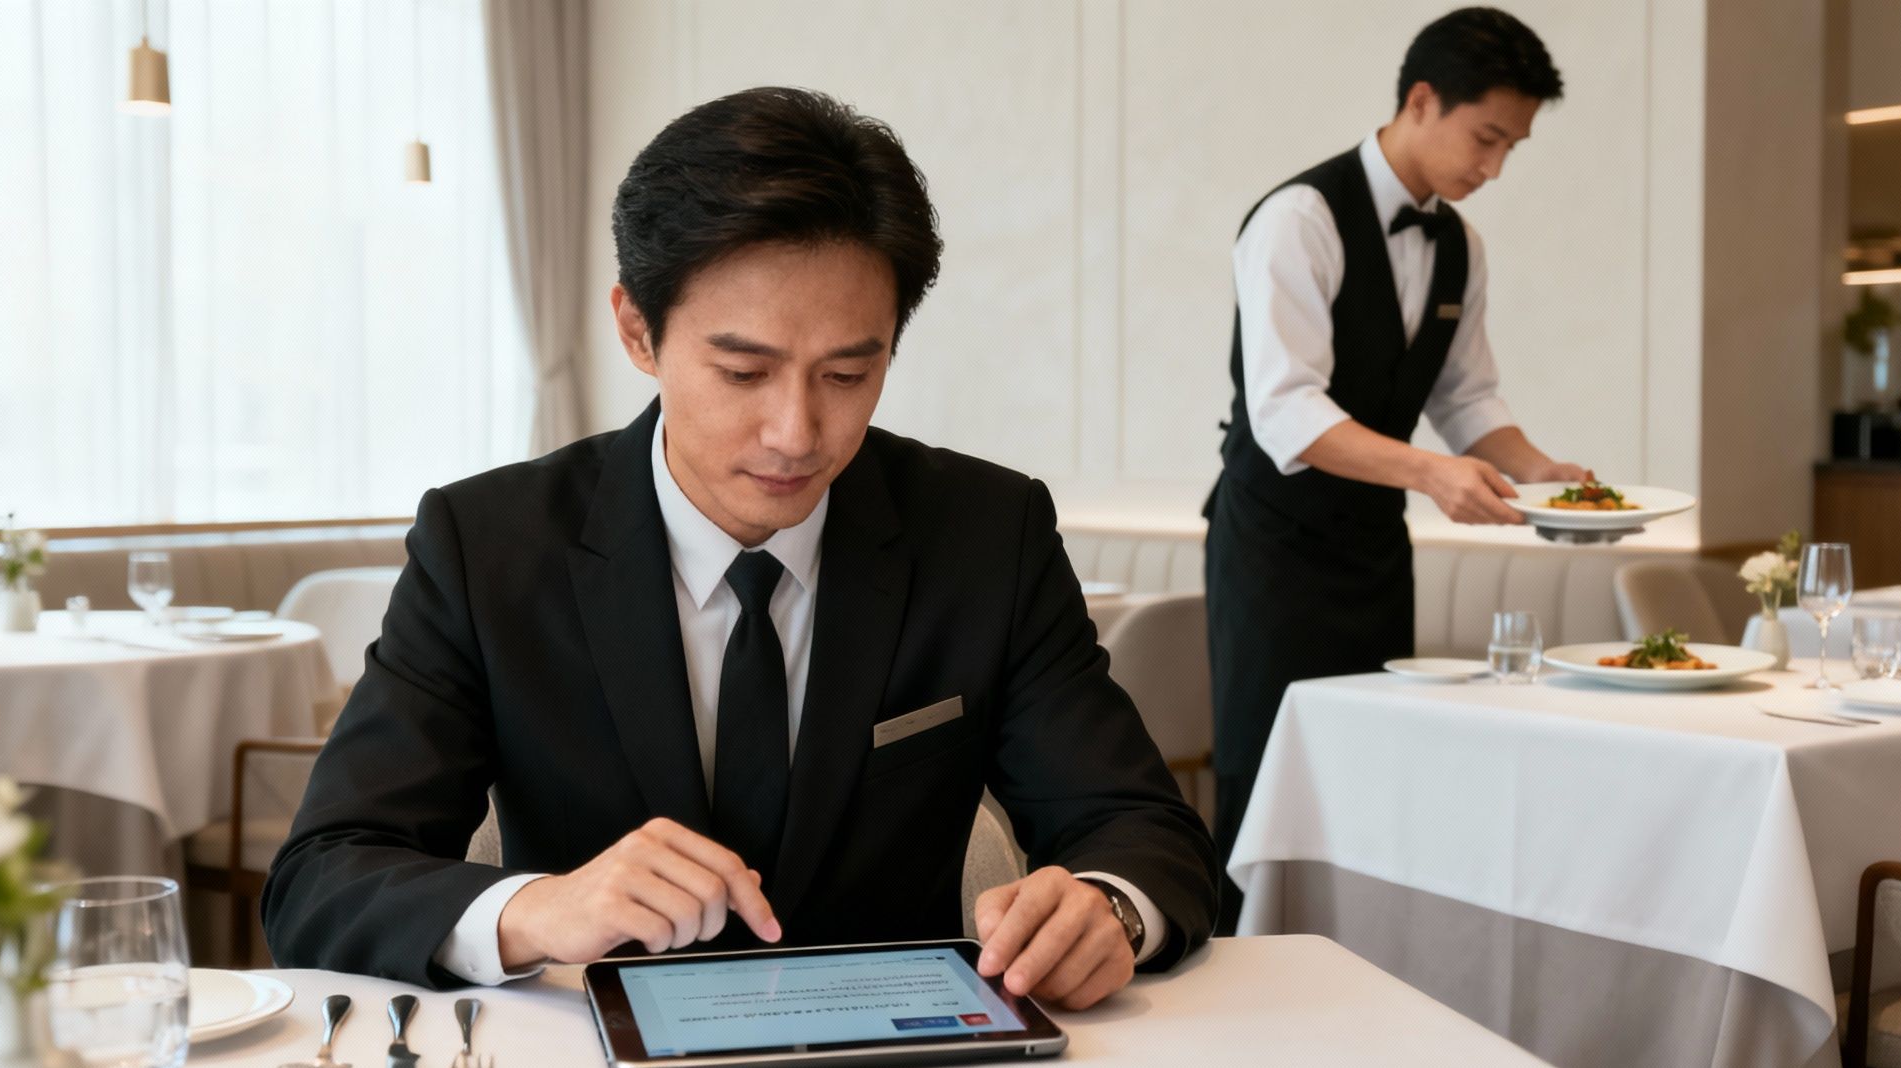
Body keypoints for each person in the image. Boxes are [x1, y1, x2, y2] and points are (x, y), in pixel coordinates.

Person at [263, 87, 1216, 1008]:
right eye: (742, 371)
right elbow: (324, 875)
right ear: (638, 330)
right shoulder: (490, 546)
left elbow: (1139, 829)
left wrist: (1112, 911)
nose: (797, 433)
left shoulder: (984, 534)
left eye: (848, 372)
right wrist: (539, 910)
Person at [1204, 7, 1585, 930]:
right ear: (1422, 100)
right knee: (1267, 780)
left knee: (1369, 776)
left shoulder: (1459, 245)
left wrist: (1552, 478)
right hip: (1276, 554)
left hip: (1375, 550)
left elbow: (1466, 400)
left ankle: (1349, 973)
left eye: (1512, 148)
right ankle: (1234, 978)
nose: (1492, 168)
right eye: (1486, 137)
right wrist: (1431, 476)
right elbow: (1287, 410)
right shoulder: (1298, 219)